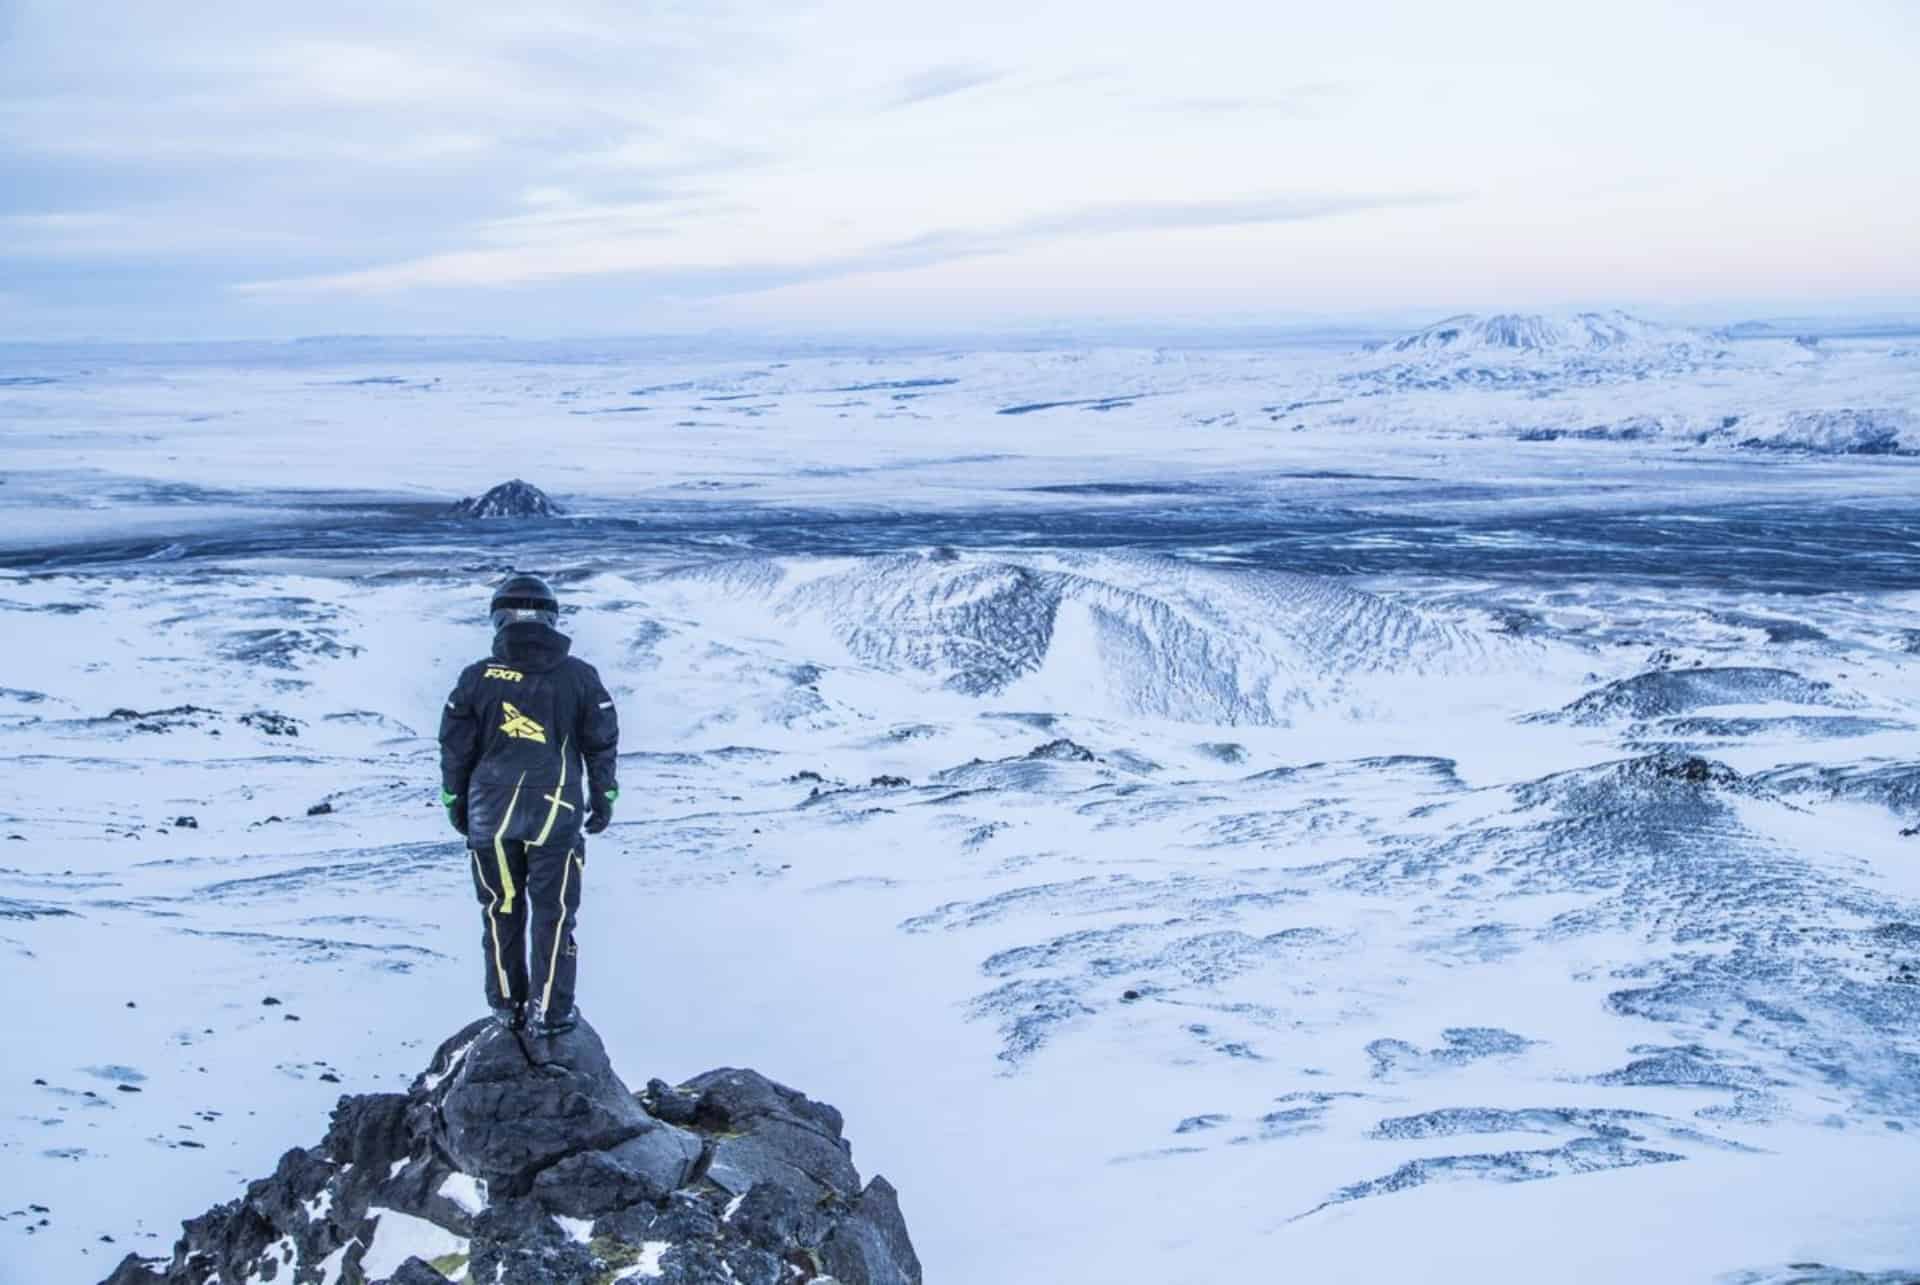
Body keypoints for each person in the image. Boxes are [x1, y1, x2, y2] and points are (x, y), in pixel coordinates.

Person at [438, 573, 619, 1035]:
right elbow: (601, 743)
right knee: (554, 914)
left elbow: (455, 747)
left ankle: (506, 1004)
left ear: (498, 619)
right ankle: (551, 1011)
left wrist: (455, 801)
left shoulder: (477, 678)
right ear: (552, 618)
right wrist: (604, 797)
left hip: (489, 814)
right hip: (555, 811)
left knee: (501, 907)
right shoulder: (579, 677)